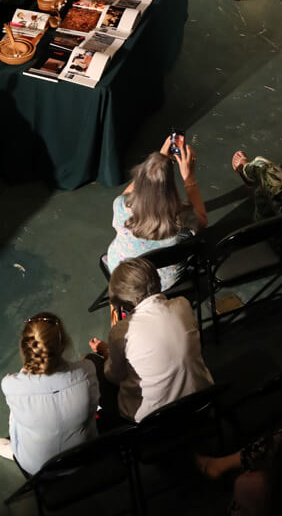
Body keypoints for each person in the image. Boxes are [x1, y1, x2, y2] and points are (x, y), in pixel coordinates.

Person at [89, 257, 212, 423]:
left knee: (92, 365)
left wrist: (106, 352)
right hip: (201, 399)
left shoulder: (121, 331)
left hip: (152, 418)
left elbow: (114, 376)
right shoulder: (183, 304)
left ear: (123, 300)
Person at [0, 313, 99, 475]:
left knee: (17, 411)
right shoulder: (87, 370)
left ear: (26, 349)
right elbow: (94, 406)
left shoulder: (10, 384)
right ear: (63, 343)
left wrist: (25, 370)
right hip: (84, 456)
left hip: (38, 468)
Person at [107, 137, 207, 290]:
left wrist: (154, 164)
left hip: (123, 274)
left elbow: (125, 196)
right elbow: (203, 220)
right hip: (162, 281)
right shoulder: (182, 216)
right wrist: (189, 178)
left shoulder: (121, 206)